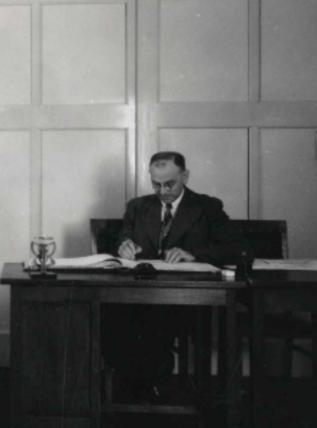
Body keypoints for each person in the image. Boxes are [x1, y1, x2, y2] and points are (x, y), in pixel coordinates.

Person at [103, 151, 247, 403]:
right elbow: (123, 238)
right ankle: (140, 388)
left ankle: (148, 388)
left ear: (185, 176)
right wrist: (125, 245)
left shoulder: (207, 207)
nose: (162, 191)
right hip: (139, 296)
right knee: (109, 318)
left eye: (169, 184)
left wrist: (194, 254)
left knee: (148, 326)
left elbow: (239, 249)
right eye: (156, 184)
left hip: (187, 301)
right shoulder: (137, 207)